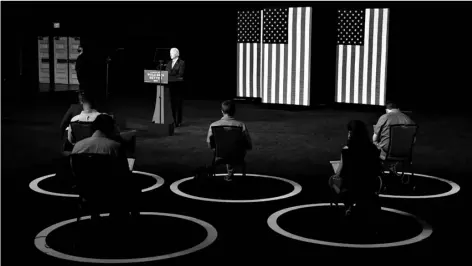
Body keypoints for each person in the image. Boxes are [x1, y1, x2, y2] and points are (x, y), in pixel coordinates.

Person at [71, 114, 139, 217]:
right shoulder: (115, 147)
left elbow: (75, 172)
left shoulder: (78, 146)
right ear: (110, 129)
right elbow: (123, 173)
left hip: (87, 192)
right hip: (111, 194)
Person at [328, 120, 382, 216]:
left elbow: (339, 173)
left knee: (332, 180)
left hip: (350, 189)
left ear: (351, 134)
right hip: (370, 187)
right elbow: (378, 169)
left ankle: (348, 206)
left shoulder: (346, 151)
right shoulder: (374, 149)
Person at [207, 100, 252, 181]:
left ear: (222, 111)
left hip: (219, 155)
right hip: (237, 156)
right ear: (234, 111)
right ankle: (230, 172)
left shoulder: (213, 125)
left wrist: (216, 149)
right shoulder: (241, 125)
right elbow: (248, 143)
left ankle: (229, 172)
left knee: (226, 148)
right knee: (234, 148)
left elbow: (209, 143)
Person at [372, 101, 415, 174]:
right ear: (398, 109)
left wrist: (376, 144)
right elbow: (413, 140)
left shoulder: (385, 117)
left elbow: (375, 138)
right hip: (405, 152)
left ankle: (376, 172)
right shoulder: (408, 119)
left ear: (387, 110)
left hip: (387, 151)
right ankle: (392, 166)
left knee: (373, 146)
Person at [165, 47, 185, 127]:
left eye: (171, 53)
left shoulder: (182, 63)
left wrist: (170, 74)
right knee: (172, 104)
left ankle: (178, 121)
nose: (170, 55)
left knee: (178, 104)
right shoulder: (169, 63)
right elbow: (166, 72)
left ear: (176, 54)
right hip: (170, 86)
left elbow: (180, 74)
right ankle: (172, 120)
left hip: (178, 87)